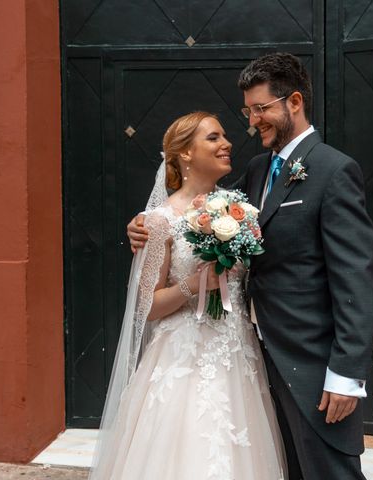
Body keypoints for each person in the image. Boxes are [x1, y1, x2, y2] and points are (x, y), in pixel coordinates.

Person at [128, 53, 373, 480]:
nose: (252, 121)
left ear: (294, 102)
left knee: (330, 472)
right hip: (256, 360)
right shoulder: (259, 170)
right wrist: (142, 227)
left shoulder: (334, 171)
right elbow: (200, 215)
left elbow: (356, 276)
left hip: (313, 363)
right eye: (248, 110)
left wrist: (346, 374)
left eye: (260, 108)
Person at [89, 111, 286, 480]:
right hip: (182, 359)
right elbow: (146, 307)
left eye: (225, 136)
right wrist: (192, 286)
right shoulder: (159, 220)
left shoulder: (238, 209)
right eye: (213, 138)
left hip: (236, 354)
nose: (227, 143)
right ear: (184, 154)